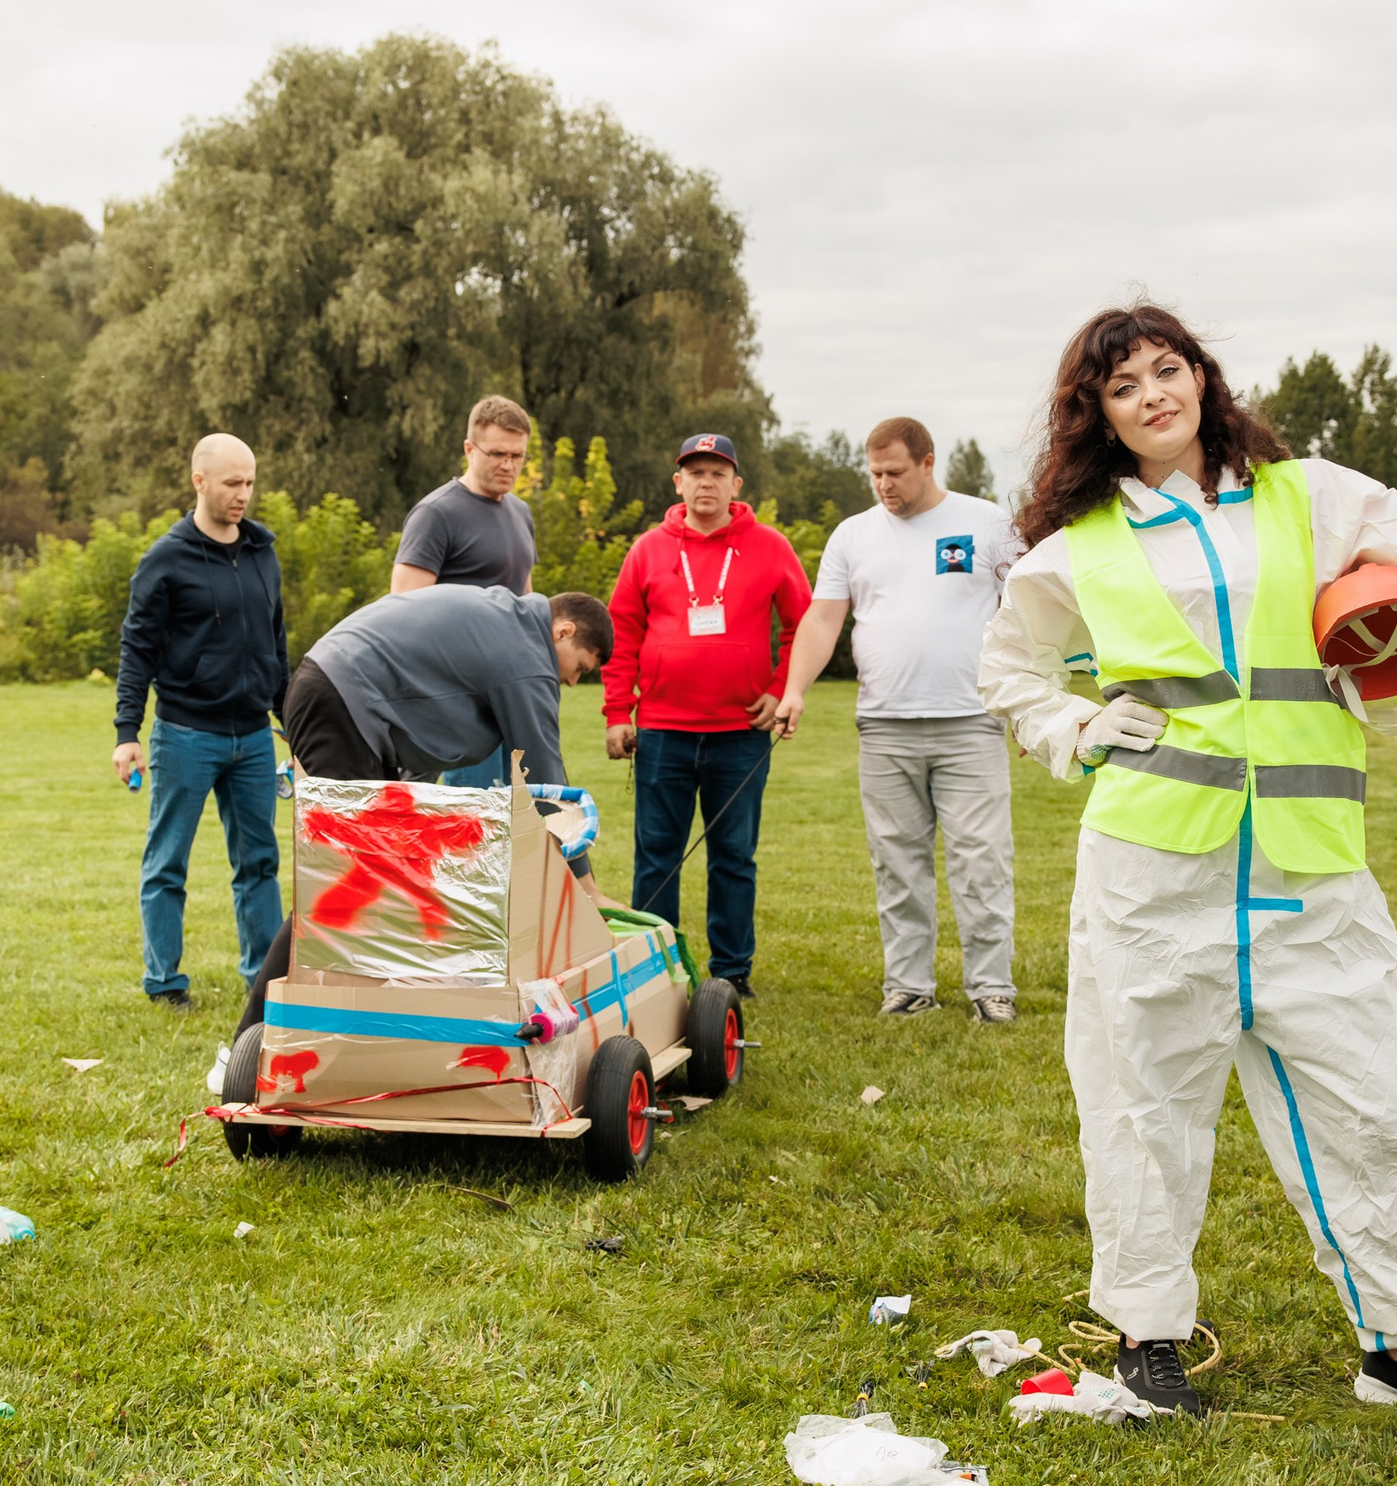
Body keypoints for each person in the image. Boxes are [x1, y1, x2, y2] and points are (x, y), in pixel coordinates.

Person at [978, 304, 1397, 1418]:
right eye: (1123, 387)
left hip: (1309, 870)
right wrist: (1074, 724)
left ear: (1201, 377)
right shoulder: (1081, 545)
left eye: (1165, 370)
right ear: (1099, 416)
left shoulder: (1310, 495)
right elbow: (1006, 667)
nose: (1152, 396)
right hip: (1151, 875)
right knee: (1142, 1108)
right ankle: (1147, 1337)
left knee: (1373, 1106)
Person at [239, 587, 614, 1031]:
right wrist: (585, 886)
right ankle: (254, 1038)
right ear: (563, 631)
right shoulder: (528, 654)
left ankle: (364, 1024)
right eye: (580, 667)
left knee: (384, 876)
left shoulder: (508, 624)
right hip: (339, 704)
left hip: (340, 700)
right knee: (350, 880)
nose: (572, 683)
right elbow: (549, 785)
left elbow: (425, 702)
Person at [775, 417, 1021, 1022]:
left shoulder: (987, 523)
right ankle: (909, 987)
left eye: (895, 472)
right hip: (884, 725)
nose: (884, 485)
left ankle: (991, 988)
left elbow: (1025, 613)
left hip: (970, 721)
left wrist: (1025, 705)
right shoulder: (853, 535)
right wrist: (794, 690)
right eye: (875, 474)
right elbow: (823, 618)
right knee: (897, 862)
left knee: (981, 861)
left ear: (928, 463)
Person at [601, 433, 813, 999]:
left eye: (718, 473)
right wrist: (618, 711)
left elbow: (805, 625)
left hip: (740, 732)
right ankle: (653, 967)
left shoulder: (770, 547)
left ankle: (732, 971)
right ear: (678, 483)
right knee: (656, 857)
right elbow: (622, 633)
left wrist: (781, 688)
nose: (706, 483)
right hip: (662, 730)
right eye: (695, 472)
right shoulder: (648, 549)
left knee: (733, 857)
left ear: (736, 484)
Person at [113, 435, 290, 1012]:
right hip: (186, 734)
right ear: (199, 481)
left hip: (254, 738)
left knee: (259, 863)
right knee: (168, 863)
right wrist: (127, 734)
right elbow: (137, 649)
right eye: (232, 483)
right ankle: (165, 983)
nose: (243, 494)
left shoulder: (262, 553)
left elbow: (276, 645)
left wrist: (291, 724)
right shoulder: (166, 559)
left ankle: (262, 981)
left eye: (250, 483)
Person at [389, 395, 540, 788]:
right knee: (465, 813)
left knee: (512, 811)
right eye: (497, 454)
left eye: (517, 455)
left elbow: (525, 603)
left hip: (510, 696)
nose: (508, 465)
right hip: (456, 704)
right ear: (469, 449)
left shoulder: (521, 513)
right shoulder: (436, 514)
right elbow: (401, 617)